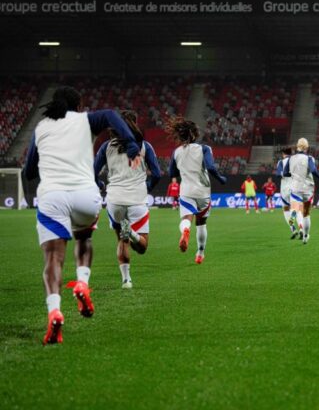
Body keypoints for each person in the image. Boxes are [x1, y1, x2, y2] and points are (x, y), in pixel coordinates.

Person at [22, 86, 140, 345]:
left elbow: (29, 171)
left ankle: (54, 310)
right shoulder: (86, 120)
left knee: (53, 258)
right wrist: (131, 144)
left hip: (53, 197)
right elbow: (110, 114)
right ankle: (83, 283)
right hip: (86, 196)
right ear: (78, 106)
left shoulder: (41, 129)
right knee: (84, 238)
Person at [94, 110, 161, 289]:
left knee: (121, 241)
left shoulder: (106, 147)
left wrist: (101, 185)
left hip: (114, 200)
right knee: (142, 247)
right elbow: (157, 174)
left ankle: (126, 280)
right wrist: (147, 187)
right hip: (137, 199)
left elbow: (92, 172)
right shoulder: (144, 146)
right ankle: (131, 232)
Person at [167, 117, 227, 264]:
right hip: (203, 192)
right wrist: (220, 179)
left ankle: (185, 230)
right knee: (201, 222)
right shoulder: (204, 149)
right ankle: (200, 253)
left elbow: (171, 174)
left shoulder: (176, 152)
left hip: (186, 191)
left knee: (186, 219)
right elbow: (211, 167)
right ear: (194, 134)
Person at [282, 138, 319, 244]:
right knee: (306, 214)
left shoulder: (291, 158)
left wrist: (294, 174)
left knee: (295, 206)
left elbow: (285, 173)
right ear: (306, 147)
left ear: (297, 146)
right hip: (308, 189)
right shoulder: (309, 158)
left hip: (296, 188)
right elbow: (314, 170)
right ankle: (306, 236)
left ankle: (293, 212)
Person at [274, 147, 298, 238]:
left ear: (284, 154)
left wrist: (283, 174)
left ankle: (293, 229)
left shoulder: (281, 162)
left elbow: (278, 174)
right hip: (295, 188)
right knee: (296, 208)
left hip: (284, 190)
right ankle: (299, 226)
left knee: (286, 209)